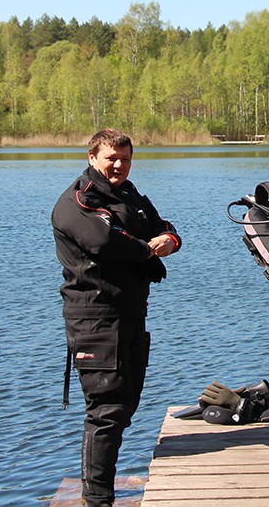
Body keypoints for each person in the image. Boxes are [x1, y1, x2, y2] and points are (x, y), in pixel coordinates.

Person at [52, 129, 181, 507]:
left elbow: (162, 225)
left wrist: (169, 240)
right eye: (111, 158)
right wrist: (148, 250)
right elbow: (104, 242)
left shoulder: (129, 195)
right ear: (92, 157)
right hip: (95, 318)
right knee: (106, 409)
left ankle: (100, 489)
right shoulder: (78, 200)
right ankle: (97, 499)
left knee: (125, 404)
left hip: (131, 315)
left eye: (125, 158)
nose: (119, 165)